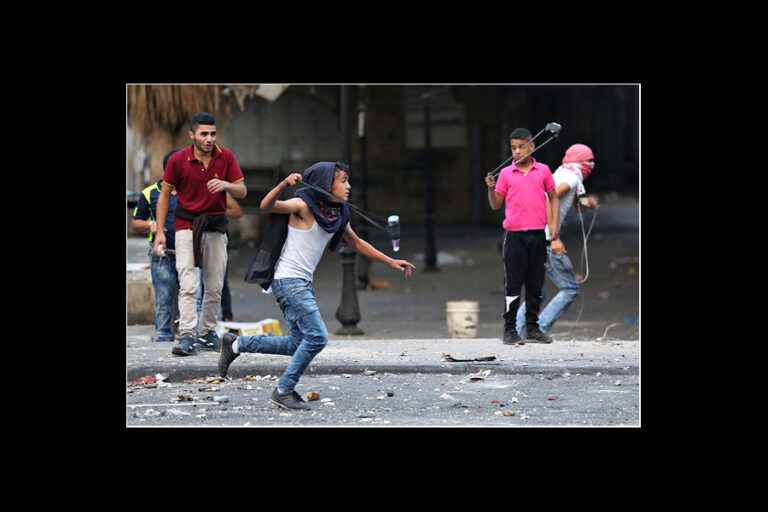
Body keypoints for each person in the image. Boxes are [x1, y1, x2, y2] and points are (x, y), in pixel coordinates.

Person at [219, 162, 415, 410]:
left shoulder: (337, 212)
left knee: (296, 343)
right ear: (325, 184)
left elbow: (355, 242)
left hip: (300, 283)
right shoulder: (302, 206)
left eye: (347, 180)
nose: (348, 186)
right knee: (318, 337)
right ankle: (283, 390)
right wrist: (282, 184)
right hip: (288, 280)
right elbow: (266, 206)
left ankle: (236, 344)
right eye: (343, 180)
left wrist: (390, 260)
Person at [153, 112, 247, 356]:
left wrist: (226, 185)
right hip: (186, 225)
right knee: (188, 283)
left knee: (214, 286)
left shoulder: (225, 157)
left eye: (212, 134)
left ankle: (206, 332)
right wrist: (161, 232)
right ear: (192, 134)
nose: (209, 138)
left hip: (216, 226)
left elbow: (242, 191)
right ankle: (187, 334)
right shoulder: (177, 160)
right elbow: (164, 195)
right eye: (204, 133)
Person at [515, 143, 598, 338]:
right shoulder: (570, 177)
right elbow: (546, 197)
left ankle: (518, 331)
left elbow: (576, 204)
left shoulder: (564, 173)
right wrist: (555, 237)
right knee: (570, 288)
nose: (591, 165)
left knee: (538, 292)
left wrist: (588, 202)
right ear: (580, 161)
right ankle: (539, 329)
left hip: (534, 237)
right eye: (589, 161)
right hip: (545, 239)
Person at [485, 127, 559, 345]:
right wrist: (491, 189)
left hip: (537, 235)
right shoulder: (506, 174)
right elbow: (495, 204)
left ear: (532, 146)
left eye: (521, 147)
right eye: (513, 148)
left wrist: (554, 223)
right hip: (514, 236)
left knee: (536, 284)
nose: (516, 151)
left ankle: (533, 328)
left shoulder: (543, 170)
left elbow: (553, 197)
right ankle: (509, 330)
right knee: (513, 284)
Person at [131, 149, 180, 342]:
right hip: (161, 256)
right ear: (167, 170)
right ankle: (163, 338)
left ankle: (188, 336)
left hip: (189, 254)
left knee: (192, 299)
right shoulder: (149, 193)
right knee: (164, 300)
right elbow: (135, 223)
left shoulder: (189, 193)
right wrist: (151, 225)